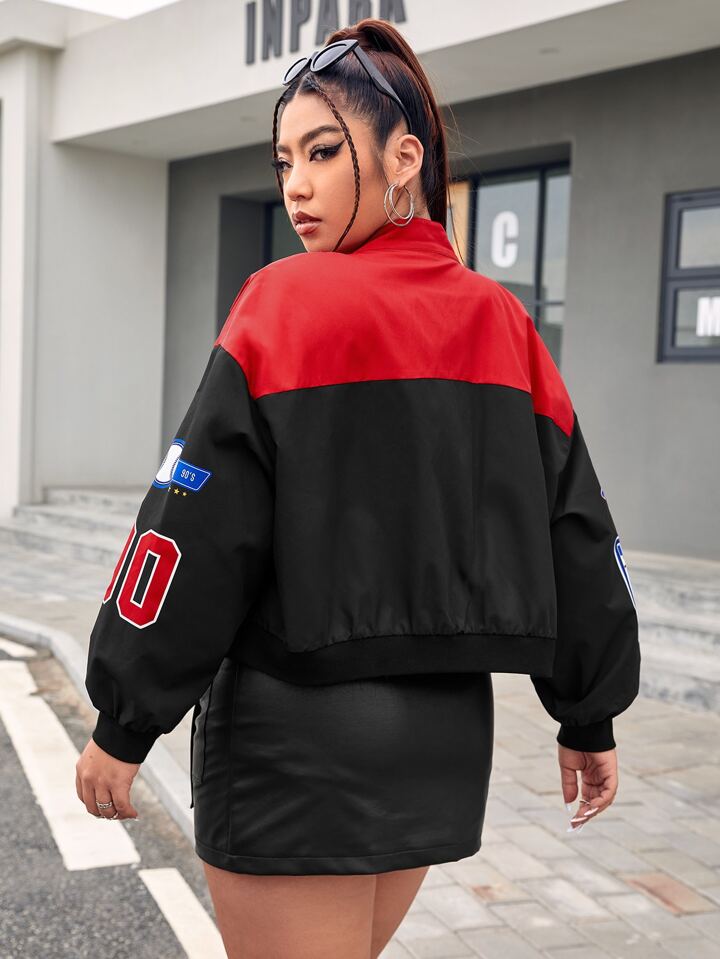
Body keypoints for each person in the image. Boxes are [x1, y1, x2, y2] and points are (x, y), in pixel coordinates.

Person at [75, 17, 641, 959]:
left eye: (324, 152)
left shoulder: (283, 301)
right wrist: (588, 711)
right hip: (441, 741)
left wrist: (124, 719)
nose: (296, 184)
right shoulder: (503, 322)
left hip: (296, 737)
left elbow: (196, 518)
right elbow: (576, 523)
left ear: (404, 158)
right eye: (284, 159)